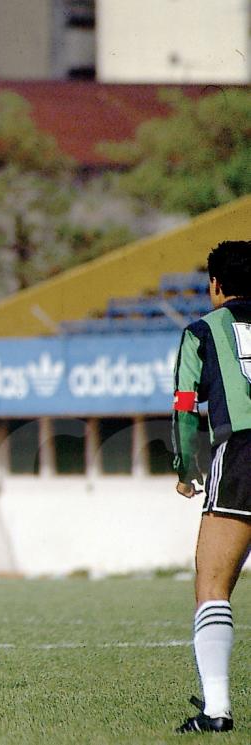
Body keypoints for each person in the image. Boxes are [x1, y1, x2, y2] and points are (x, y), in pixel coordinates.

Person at [172, 240, 251, 734]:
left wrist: (185, 468)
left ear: (216, 286)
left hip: (243, 454)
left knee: (213, 587)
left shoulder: (202, 330)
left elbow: (185, 404)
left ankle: (217, 709)